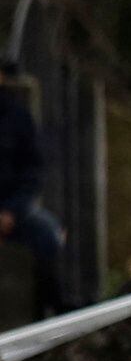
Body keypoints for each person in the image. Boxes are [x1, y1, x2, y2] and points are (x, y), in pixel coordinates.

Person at [0, 57, 71, 316]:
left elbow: (32, 173)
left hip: (12, 212)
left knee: (47, 236)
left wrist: (11, 212)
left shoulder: (16, 118)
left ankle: (47, 314)